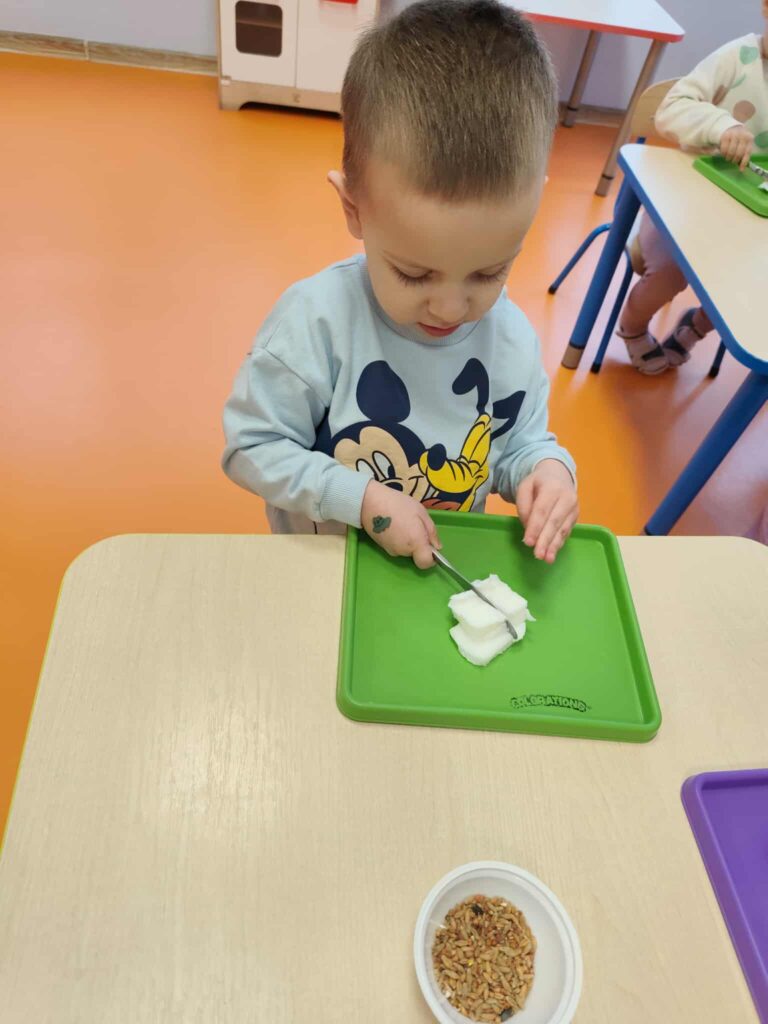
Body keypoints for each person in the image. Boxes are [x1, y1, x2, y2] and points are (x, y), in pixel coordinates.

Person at [222, 0, 577, 568]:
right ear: (354, 209)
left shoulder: (509, 339)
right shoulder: (316, 324)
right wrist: (361, 500)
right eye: (414, 273)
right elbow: (252, 447)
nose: (452, 307)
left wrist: (547, 472)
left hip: (437, 576)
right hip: (321, 567)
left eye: (489, 272)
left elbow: (520, 443)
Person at [617, 2, 768, 374]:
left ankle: (695, 328)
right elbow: (671, 108)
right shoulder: (737, 58)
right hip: (680, 202)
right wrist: (722, 126)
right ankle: (632, 329)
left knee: (750, 289)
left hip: (747, 221)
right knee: (670, 272)